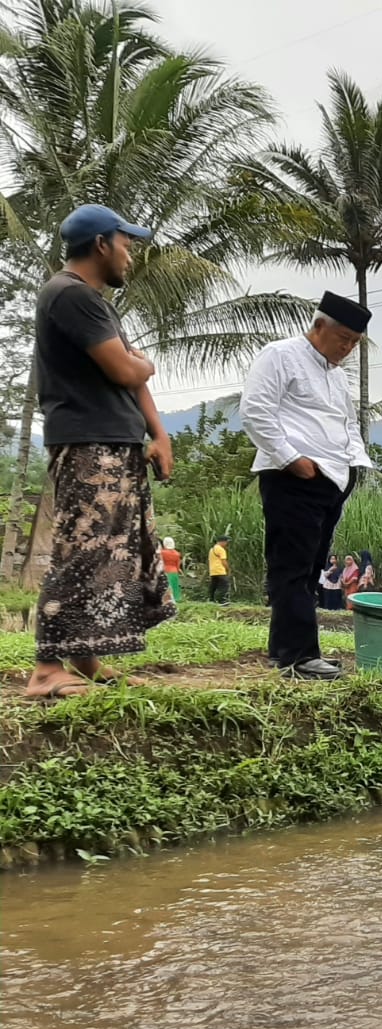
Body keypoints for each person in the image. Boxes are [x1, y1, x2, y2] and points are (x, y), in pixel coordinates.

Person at [25, 204, 175, 701]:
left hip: (115, 441)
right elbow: (127, 373)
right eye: (126, 243)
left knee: (111, 551)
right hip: (88, 443)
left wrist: (160, 434)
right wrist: (143, 364)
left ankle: (84, 657)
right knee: (84, 550)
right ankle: (47, 669)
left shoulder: (93, 301)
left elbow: (133, 380)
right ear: (101, 244)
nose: (130, 254)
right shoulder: (68, 294)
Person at [240, 291, 373, 679]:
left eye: (354, 343)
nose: (347, 348)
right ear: (318, 326)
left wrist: (353, 465)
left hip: (331, 479)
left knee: (310, 566)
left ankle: (282, 647)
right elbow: (256, 410)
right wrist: (291, 460)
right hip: (292, 476)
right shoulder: (281, 355)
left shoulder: (336, 376)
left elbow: (346, 423)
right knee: (291, 567)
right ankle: (299, 656)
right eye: (342, 338)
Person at [208, 536, 231, 603]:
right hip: (220, 570)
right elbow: (223, 561)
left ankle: (211, 600)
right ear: (223, 542)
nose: (227, 544)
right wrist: (228, 569)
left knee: (213, 586)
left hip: (213, 571)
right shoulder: (221, 549)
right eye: (227, 542)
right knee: (224, 586)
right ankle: (222, 601)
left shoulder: (212, 549)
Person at [160, 537, 182, 604]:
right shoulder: (177, 554)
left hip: (165, 570)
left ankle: (165, 599)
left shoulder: (162, 552)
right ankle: (176, 599)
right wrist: (178, 570)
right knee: (174, 585)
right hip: (174, 571)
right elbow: (177, 564)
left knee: (165, 586)